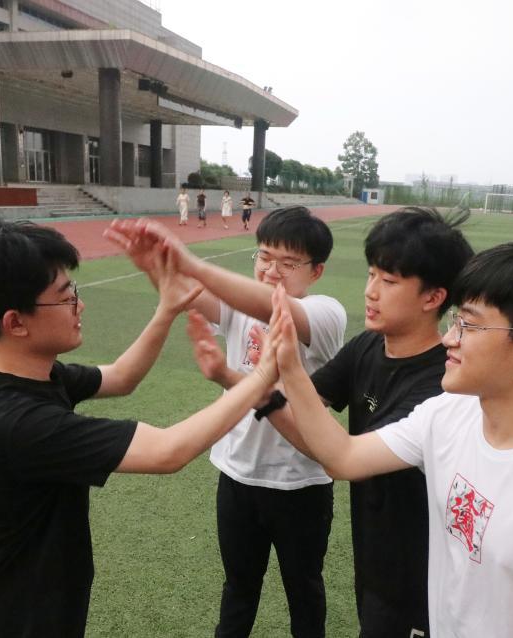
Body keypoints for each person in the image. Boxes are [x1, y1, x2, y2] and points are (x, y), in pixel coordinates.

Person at [270, 241, 513, 637]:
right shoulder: (449, 413)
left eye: (470, 325)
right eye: (455, 321)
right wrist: (289, 367)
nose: (449, 339)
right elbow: (344, 457)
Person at [0, 216, 284, 638]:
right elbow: (167, 451)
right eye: (65, 297)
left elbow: (121, 377)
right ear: (16, 322)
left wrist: (168, 307)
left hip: (43, 609)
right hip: (14, 622)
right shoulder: (15, 422)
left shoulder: (30, 376)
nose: (80, 305)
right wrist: (261, 376)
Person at [188, 207, 473, 637]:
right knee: (244, 586)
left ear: (433, 298)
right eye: (371, 275)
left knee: (306, 591)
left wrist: (281, 367)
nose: (371, 291)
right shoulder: (368, 347)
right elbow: (306, 420)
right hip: (375, 561)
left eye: (388, 281)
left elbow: (343, 457)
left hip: (423, 577)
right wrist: (238, 379)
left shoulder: (440, 387)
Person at [106, 206, 346, 638]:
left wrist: (191, 263)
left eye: (288, 263)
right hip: (237, 476)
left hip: (300, 484)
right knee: (238, 588)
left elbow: (275, 307)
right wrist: (156, 266)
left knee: (304, 590)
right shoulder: (239, 306)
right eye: (264, 256)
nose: (271, 270)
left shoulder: (326, 314)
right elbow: (182, 295)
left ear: (316, 271)